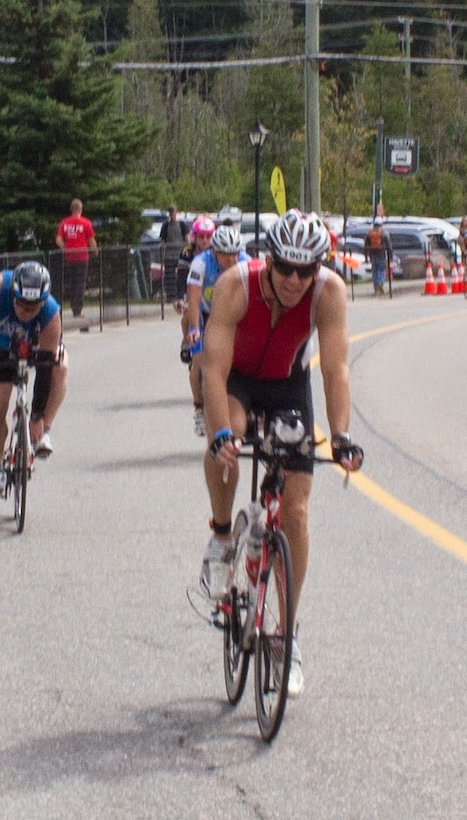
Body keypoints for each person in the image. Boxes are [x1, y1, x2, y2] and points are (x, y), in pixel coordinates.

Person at [198, 209, 364, 698]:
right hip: (239, 381)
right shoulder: (236, 284)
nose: (294, 280)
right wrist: (221, 434)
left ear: (318, 268)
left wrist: (340, 436)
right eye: (285, 268)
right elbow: (212, 370)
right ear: (268, 261)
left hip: (290, 386)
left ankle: (287, 639)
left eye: (305, 270)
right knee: (232, 435)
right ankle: (223, 535)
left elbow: (335, 370)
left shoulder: (328, 292)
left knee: (295, 512)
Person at [0, 262, 68, 498]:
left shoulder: (51, 313)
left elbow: (44, 370)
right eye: (21, 304)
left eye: (33, 308)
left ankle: (43, 432)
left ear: (43, 301)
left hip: (35, 348)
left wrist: (37, 416)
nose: (26, 312)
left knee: (60, 367)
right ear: (13, 292)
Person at [186, 224, 250, 437]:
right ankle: (198, 408)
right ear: (215, 252)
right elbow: (193, 300)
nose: (231, 260)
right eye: (225, 256)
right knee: (199, 360)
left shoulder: (245, 262)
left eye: (235, 254)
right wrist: (194, 328)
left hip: (232, 315)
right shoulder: (201, 263)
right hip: (206, 315)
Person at [174, 215, 215, 362]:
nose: (205, 240)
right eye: (201, 237)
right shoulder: (187, 252)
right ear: (195, 237)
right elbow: (181, 275)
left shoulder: (217, 251)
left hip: (211, 289)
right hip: (192, 289)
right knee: (188, 316)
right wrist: (179, 297)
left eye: (208, 236)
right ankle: (186, 342)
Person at [56, 198, 97, 317]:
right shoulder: (85, 223)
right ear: (80, 209)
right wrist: (95, 251)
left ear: (71, 209)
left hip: (70, 256)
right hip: (82, 256)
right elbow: (91, 240)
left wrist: (66, 248)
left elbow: (58, 240)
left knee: (72, 282)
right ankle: (77, 310)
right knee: (80, 283)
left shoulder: (65, 223)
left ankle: (72, 304)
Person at [159, 205, 190, 300]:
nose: (172, 214)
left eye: (173, 212)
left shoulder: (182, 225)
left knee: (182, 276)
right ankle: (170, 296)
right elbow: (162, 241)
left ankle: (182, 295)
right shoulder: (165, 226)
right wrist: (162, 255)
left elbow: (187, 240)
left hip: (180, 255)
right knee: (169, 277)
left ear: (176, 212)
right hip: (169, 256)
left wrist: (187, 253)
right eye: (170, 212)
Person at [364, 217, 392, 295]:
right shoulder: (384, 233)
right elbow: (389, 246)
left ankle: (376, 288)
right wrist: (391, 257)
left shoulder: (369, 233)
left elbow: (365, 246)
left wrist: (366, 257)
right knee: (382, 270)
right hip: (381, 254)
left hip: (372, 255)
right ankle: (380, 283)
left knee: (375, 271)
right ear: (381, 224)